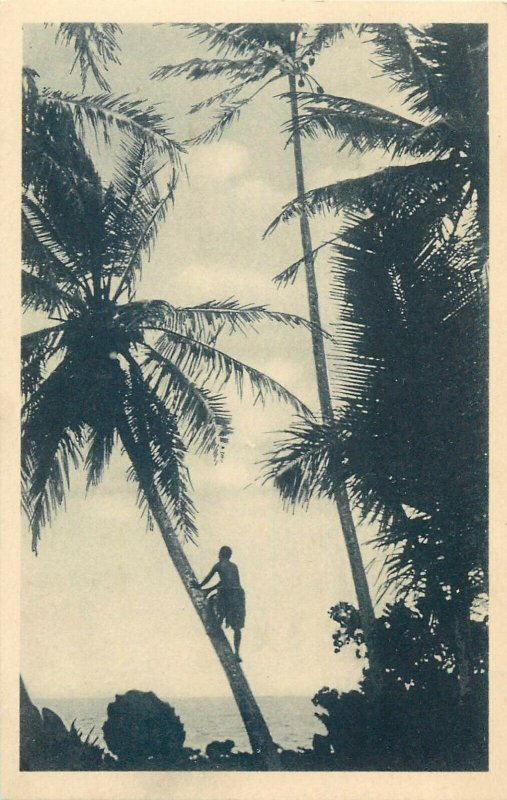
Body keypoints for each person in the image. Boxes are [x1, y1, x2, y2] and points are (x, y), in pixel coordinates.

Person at [195, 546, 246, 662]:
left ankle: (217, 625)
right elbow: (226, 581)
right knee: (237, 627)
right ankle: (237, 653)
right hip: (238, 594)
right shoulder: (234, 566)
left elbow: (209, 578)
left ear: (221, 555)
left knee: (214, 604)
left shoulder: (218, 565)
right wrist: (207, 589)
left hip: (227, 593)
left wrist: (200, 586)